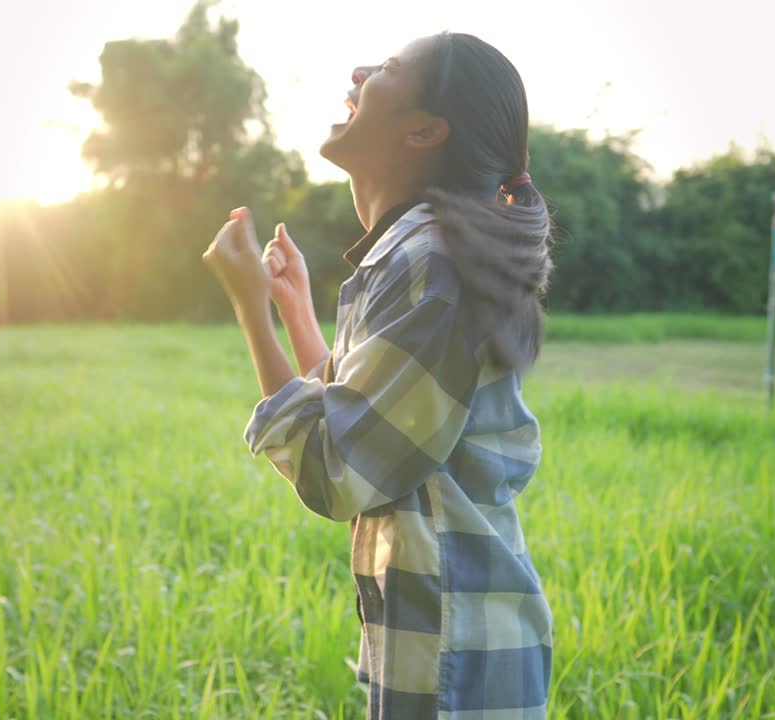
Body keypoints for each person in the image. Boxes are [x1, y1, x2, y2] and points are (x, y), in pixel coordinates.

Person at [202, 31, 554, 720]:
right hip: (444, 632)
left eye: (388, 68)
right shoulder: (412, 255)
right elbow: (358, 417)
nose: (360, 71)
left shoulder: (434, 264)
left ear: (424, 131)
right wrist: (293, 309)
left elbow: (337, 467)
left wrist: (249, 307)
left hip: (457, 650)